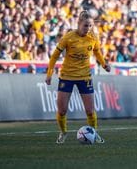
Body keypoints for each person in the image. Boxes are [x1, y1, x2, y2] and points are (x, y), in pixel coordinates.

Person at [45, 10, 111, 144]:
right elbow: (54, 56)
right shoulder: (68, 37)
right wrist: (49, 74)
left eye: (90, 26)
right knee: (62, 110)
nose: (88, 29)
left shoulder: (92, 38)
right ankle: (63, 132)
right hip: (67, 76)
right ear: (79, 24)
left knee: (90, 110)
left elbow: (97, 52)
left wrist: (104, 64)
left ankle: (94, 133)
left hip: (85, 77)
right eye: (86, 25)